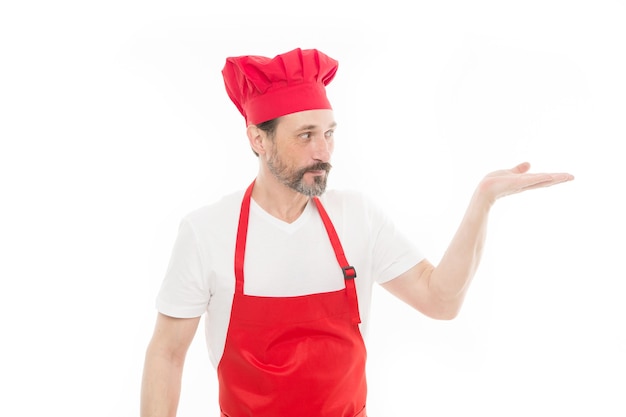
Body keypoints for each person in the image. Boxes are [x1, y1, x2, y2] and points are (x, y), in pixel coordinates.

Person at [140, 47, 574, 417]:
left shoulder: (357, 217)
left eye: (329, 134)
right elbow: (167, 354)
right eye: (306, 136)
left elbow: (441, 301)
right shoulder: (207, 232)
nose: (323, 152)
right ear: (258, 138)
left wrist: (483, 201)